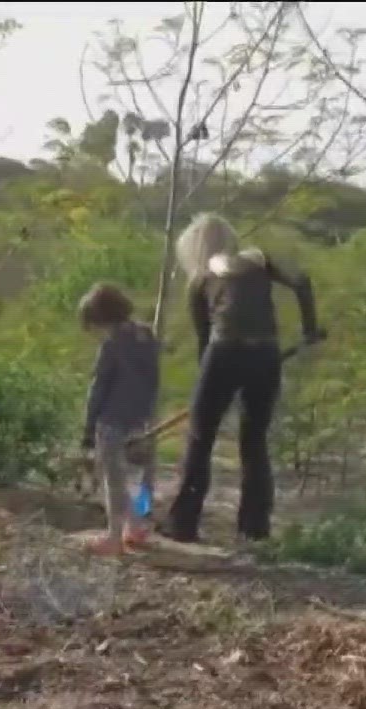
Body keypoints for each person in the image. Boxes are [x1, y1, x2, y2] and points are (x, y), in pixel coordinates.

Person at [163, 213, 322, 544]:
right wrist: (309, 330)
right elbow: (302, 281)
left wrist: (207, 390)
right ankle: (254, 530)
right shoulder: (259, 262)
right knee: (254, 442)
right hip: (265, 354)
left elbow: (204, 343)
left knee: (200, 438)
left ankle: (183, 525)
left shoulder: (201, 279)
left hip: (223, 352)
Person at [78, 282, 161, 556]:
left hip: (113, 421)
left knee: (114, 481)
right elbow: (154, 379)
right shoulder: (147, 336)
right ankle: (137, 527)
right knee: (141, 479)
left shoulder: (112, 346)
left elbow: (98, 389)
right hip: (144, 421)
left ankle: (114, 537)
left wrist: (88, 429)